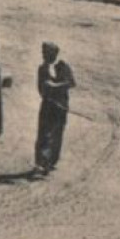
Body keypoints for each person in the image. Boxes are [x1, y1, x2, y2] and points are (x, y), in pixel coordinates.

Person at [34, 42, 77, 175]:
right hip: (47, 104)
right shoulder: (42, 68)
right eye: (43, 53)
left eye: (46, 53)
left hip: (61, 106)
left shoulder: (63, 66)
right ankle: (42, 163)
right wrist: (48, 89)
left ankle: (51, 162)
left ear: (54, 54)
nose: (44, 55)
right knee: (44, 134)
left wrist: (54, 86)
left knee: (57, 134)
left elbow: (72, 83)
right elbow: (40, 88)